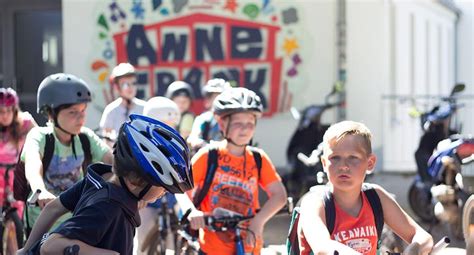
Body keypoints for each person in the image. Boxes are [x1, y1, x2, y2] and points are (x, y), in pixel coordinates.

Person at [18, 114, 194, 255]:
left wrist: (26, 249)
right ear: (137, 181)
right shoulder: (107, 207)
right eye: (163, 187)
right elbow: (50, 246)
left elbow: (53, 208)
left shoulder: (100, 179)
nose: (164, 193)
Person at [176, 87, 287, 254]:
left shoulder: (258, 158)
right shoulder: (209, 155)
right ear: (222, 124)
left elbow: (280, 196)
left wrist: (259, 221)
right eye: (238, 124)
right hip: (212, 246)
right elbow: (179, 188)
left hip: (249, 245)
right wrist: (192, 211)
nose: (245, 129)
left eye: (250, 123)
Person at [298, 120, 433, 255]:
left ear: (370, 163)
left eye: (353, 157)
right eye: (335, 158)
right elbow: (323, 247)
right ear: (324, 163)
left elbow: (423, 237)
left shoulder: (376, 196)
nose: (343, 165)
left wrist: (414, 249)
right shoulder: (313, 203)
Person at [21, 73, 113, 228]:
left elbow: (111, 160)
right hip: (43, 224)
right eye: (73, 112)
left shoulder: (85, 137)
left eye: (83, 110)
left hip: (77, 222)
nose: (81, 118)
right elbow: (32, 164)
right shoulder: (40, 136)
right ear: (51, 113)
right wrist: (39, 190)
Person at [136, 96, 181, 255]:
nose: (169, 131)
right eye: (164, 126)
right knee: (143, 242)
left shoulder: (177, 145)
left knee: (179, 240)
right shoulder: (141, 144)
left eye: (172, 126)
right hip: (148, 201)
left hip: (171, 198)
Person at [0, 87, 37, 218]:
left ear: (15, 110)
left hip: (16, 170)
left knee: (19, 205)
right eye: (1, 112)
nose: (5, 115)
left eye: (9, 111)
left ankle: (18, 233)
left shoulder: (25, 122)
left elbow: (39, 138)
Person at [99, 62, 146, 141]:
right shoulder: (111, 110)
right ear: (117, 87)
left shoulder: (145, 107)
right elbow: (106, 139)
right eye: (125, 84)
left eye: (133, 83)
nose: (131, 87)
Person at [187, 78, 231, 152]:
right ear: (208, 101)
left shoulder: (232, 119)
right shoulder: (204, 118)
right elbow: (193, 137)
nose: (219, 101)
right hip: (208, 155)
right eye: (215, 98)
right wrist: (196, 141)